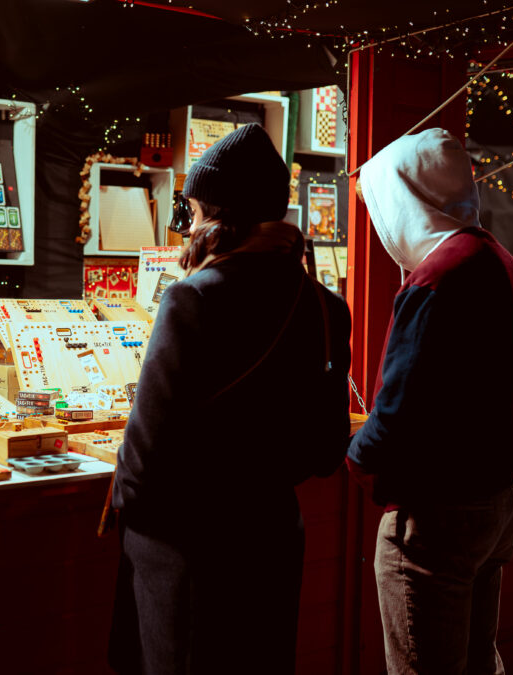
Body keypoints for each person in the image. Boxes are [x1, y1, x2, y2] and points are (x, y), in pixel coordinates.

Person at [109, 124, 353, 674]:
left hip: (190, 553)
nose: (189, 224)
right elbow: (326, 450)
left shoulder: (191, 298)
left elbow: (143, 459)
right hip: (271, 539)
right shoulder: (325, 307)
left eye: (192, 211)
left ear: (216, 214)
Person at [347, 128, 513, 675]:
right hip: (496, 498)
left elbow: (399, 411)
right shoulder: (498, 260)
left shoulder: (437, 278)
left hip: (437, 514)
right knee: (477, 661)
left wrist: (356, 454)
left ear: (407, 199)